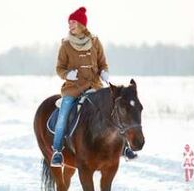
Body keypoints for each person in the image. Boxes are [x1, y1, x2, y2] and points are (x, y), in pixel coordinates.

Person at [51, 7, 136, 167]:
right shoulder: (66, 45)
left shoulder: (95, 42)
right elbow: (59, 68)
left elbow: (103, 63)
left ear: (82, 24)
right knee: (63, 115)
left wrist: (104, 72)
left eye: (73, 22)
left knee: (115, 109)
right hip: (73, 89)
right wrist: (67, 75)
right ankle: (57, 152)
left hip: (95, 86)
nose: (70, 25)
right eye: (69, 22)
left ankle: (124, 146)